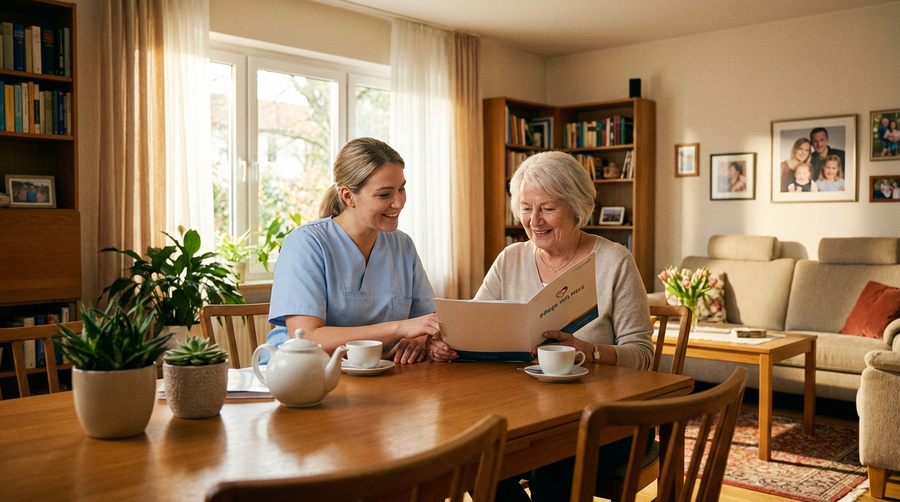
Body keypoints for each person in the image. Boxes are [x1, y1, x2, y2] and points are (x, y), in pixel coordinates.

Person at [432, 151, 654, 502]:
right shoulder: (511, 258)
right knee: (479, 464)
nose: (534, 221)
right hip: (526, 414)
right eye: (525, 208)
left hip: (608, 420)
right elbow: (474, 323)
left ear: (576, 206)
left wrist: (590, 351)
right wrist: (450, 342)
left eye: (547, 208)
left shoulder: (614, 261)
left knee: (550, 475)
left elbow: (642, 355)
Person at [267, 137, 440, 364]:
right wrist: (401, 328)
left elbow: (428, 323)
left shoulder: (402, 246)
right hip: (305, 376)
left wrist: (420, 340)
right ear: (348, 196)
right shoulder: (306, 244)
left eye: (402, 189)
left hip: (383, 373)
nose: (399, 202)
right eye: (385, 194)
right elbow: (309, 339)